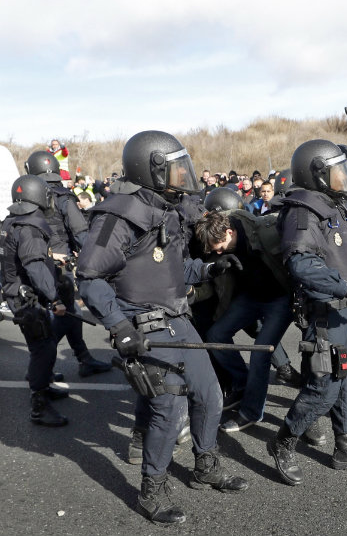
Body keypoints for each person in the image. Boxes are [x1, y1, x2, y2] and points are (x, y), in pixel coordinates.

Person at [76, 130, 249, 525]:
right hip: (144, 325)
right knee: (168, 409)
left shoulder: (168, 210)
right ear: (150, 169)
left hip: (179, 319)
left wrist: (209, 268)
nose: (184, 176)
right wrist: (119, 326)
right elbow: (89, 277)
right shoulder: (116, 215)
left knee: (210, 395)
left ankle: (205, 465)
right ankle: (151, 489)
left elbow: (170, 271)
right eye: (175, 170)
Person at [266, 105, 347, 487]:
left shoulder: (332, 202)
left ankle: (345, 445)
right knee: (324, 387)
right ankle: (283, 442)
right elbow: (301, 264)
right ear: (317, 176)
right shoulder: (303, 213)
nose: (343, 177)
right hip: (327, 313)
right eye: (335, 171)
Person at [193, 210, 295, 432]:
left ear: (230, 232)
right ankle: (242, 385)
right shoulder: (219, 243)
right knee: (215, 336)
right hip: (251, 297)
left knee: (260, 352)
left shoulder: (264, 232)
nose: (216, 251)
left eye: (218, 245)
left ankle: (251, 412)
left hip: (280, 298)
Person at [23, 150, 112, 377]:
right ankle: (42, 366)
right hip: (60, 266)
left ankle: (83, 359)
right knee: (63, 316)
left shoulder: (27, 198)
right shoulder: (62, 196)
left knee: (70, 313)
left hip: (35, 264)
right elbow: (81, 232)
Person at [1, 175, 71, 426]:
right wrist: (55, 299)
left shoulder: (11, 221)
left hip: (17, 294)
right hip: (27, 299)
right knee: (45, 347)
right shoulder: (30, 228)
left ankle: (41, 383)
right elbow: (34, 267)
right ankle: (39, 406)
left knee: (41, 343)